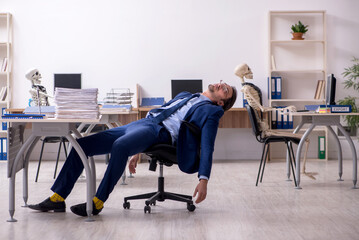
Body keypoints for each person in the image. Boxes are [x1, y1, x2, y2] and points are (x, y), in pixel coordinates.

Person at [28, 81, 237, 217]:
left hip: (159, 131)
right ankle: (57, 198)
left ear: (221, 102)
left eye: (224, 89)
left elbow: (208, 145)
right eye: (221, 83)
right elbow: (163, 111)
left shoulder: (211, 111)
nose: (219, 84)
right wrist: (138, 150)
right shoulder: (185, 94)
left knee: (119, 146)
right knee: (81, 145)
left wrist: (204, 180)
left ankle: (97, 202)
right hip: (141, 125)